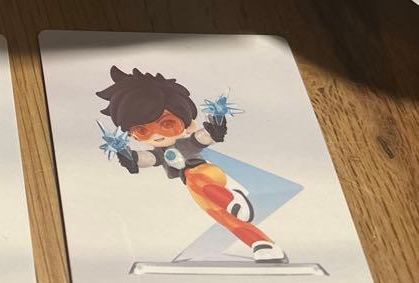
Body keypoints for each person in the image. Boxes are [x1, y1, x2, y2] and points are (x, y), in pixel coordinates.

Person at [97, 66, 287, 262]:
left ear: (188, 125)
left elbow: (205, 137)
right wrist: (126, 155)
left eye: (167, 124)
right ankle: (263, 244)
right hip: (195, 188)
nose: (157, 134)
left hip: (206, 173)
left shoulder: (187, 143)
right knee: (224, 218)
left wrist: (216, 124)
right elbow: (146, 159)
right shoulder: (160, 153)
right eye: (142, 131)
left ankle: (231, 199)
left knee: (194, 177)